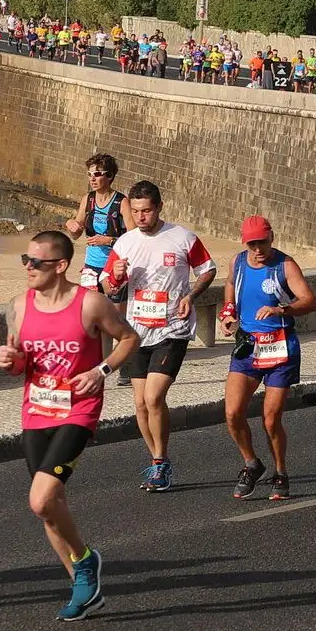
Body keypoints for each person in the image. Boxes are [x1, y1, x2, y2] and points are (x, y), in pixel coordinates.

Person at [0, 230, 137, 620]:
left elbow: (129, 338)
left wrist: (102, 370)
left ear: (60, 266)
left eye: (36, 262)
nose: (28, 268)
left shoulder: (90, 304)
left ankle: (86, 561)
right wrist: (9, 361)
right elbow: (20, 364)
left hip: (78, 411)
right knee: (49, 507)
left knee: (41, 498)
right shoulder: (18, 307)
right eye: (24, 260)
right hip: (36, 411)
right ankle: (83, 585)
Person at [106, 180, 216, 492]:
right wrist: (115, 277)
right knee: (140, 404)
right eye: (136, 211)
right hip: (136, 332)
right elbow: (109, 287)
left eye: (147, 211)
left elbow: (207, 270)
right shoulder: (125, 243)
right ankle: (156, 459)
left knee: (154, 397)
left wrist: (190, 296)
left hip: (173, 328)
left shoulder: (182, 238)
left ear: (159, 208)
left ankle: (161, 462)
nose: (141, 217)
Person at [219, 216, 316, 500]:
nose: (258, 249)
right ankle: (251, 462)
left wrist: (281, 311)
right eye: (252, 243)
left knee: (271, 419)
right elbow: (229, 285)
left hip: (280, 348)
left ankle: (281, 471)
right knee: (232, 413)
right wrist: (228, 312)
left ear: (271, 237)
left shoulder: (284, 266)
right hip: (248, 346)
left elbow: (310, 301)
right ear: (244, 242)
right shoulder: (238, 262)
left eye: (262, 241)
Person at [66, 153, 126, 290]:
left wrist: (108, 241)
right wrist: (71, 225)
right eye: (89, 174)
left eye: (97, 174)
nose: (92, 179)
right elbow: (76, 233)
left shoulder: (122, 202)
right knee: (90, 306)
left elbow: (135, 239)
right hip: (91, 265)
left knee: (112, 308)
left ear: (110, 176)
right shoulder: (88, 199)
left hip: (114, 264)